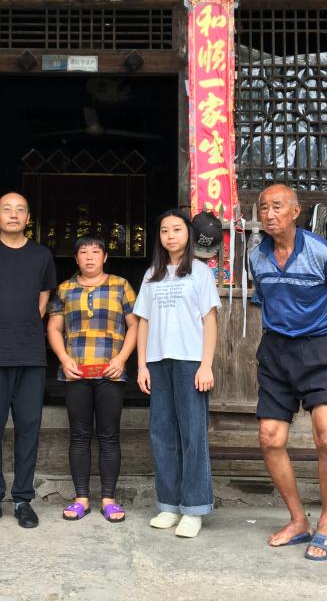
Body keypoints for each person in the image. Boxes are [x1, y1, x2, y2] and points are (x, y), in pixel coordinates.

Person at [248, 184, 327, 561]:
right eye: (263, 208)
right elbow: (265, 301)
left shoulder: (323, 254)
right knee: (270, 437)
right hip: (276, 351)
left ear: (296, 211)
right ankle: (298, 520)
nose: (269, 214)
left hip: (320, 348)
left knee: (326, 435)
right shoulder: (256, 257)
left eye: (277, 206)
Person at [0, 192, 56, 529]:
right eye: (7, 209)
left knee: (28, 427)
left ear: (28, 218)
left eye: (20, 210)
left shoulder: (41, 255)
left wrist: (24, 328)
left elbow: (43, 300)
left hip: (31, 354)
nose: (14, 215)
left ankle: (22, 500)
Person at [134, 209, 221, 538]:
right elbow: (143, 322)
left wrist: (206, 364)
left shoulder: (200, 272)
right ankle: (169, 504)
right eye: (164, 230)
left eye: (177, 229)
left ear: (188, 234)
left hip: (190, 362)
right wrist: (142, 365)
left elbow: (209, 321)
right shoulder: (152, 275)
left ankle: (194, 508)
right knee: (162, 434)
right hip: (158, 362)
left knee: (192, 435)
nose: (170, 236)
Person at [47, 236, 138, 523]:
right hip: (76, 373)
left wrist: (121, 359)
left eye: (95, 252)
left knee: (109, 436)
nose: (89, 257)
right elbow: (54, 328)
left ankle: (108, 499)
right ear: (76, 259)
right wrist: (64, 359)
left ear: (105, 257)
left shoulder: (121, 285)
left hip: (111, 372)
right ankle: (81, 499)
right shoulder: (65, 289)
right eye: (83, 253)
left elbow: (135, 325)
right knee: (79, 435)